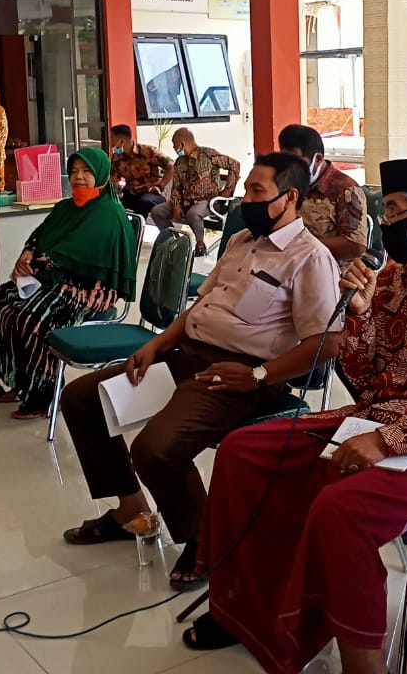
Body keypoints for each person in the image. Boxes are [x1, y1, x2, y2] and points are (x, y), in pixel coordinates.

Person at [184, 158, 407, 674]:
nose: (383, 223)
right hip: (370, 417)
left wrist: (389, 441)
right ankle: (248, 610)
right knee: (242, 452)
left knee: (339, 508)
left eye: (393, 210)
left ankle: (362, 663)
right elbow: (364, 377)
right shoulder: (391, 282)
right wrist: (359, 313)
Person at [59, 153, 341, 589]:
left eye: (257, 192)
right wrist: (155, 344)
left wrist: (261, 376)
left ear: (289, 198)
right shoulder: (242, 240)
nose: (245, 199)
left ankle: (204, 538)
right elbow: (199, 308)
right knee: (82, 398)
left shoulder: (310, 258)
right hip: (186, 354)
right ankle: (130, 508)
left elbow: (327, 343)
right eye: (246, 188)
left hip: (241, 373)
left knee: (155, 449)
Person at [0, 148, 137, 418]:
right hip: (54, 278)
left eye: (87, 172)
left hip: (90, 289)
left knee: (33, 319)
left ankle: (43, 396)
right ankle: (17, 383)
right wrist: (28, 253)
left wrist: (34, 264)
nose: (79, 177)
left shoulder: (108, 213)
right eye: (75, 171)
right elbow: (40, 234)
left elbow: (74, 251)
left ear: (101, 174)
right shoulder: (67, 207)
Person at [278, 123, 368, 271]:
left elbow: (355, 245)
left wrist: (301, 246)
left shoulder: (346, 189)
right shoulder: (285, 183)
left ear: (318, 159)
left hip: (329, 271)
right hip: (286, 266)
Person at [149, 128, 241, 256]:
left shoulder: (208, 154)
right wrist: (175, 204)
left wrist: (228, 189)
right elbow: (176, 187)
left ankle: (200, 245)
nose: (174, 148)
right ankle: (175, 240)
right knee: (157, 212)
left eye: (174, 144)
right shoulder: (179, 162)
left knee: (193, 214)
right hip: (186, 201)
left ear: (182, 144)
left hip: (209, 201)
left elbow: (234, 164)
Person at [109, 124, 173, 218]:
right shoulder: (117, 157)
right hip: (131, 193)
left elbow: (171, 166)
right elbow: (113, 178)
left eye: (112, 138)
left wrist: (160, 186)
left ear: (122, 141)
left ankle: (137, 230)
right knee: (111, 204)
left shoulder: (148, 152)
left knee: (143, 202)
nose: (110, 143)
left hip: (151, 193)